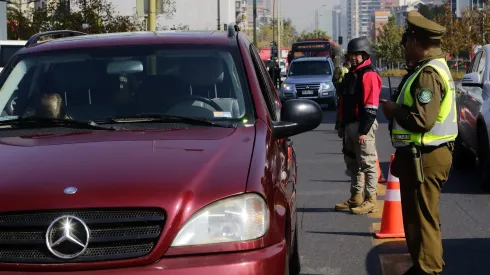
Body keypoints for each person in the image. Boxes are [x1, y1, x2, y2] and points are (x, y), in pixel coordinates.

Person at [381, 11, 457, 275]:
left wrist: (393, 110)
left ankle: (429, 269)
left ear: (415, 41)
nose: (404, 47)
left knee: (423, 219)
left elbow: (422, 120)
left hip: (426, 155)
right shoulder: (427, 70)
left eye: (406, 42)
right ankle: (423, 265)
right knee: (416, 218)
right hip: (421, 154)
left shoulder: (428, 74)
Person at [334, 37, 381, 215]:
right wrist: (341, 125)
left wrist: (363, 130)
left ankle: (370, 200)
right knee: (352, 163)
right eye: (351, 54)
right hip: (349, 126)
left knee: (367, 163)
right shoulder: (351, 74)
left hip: (362, 126)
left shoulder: (368, 74)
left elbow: (370, 106)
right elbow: (343, 101)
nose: (353, 57)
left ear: (364, 55)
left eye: (357, 54)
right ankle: (356, 197)